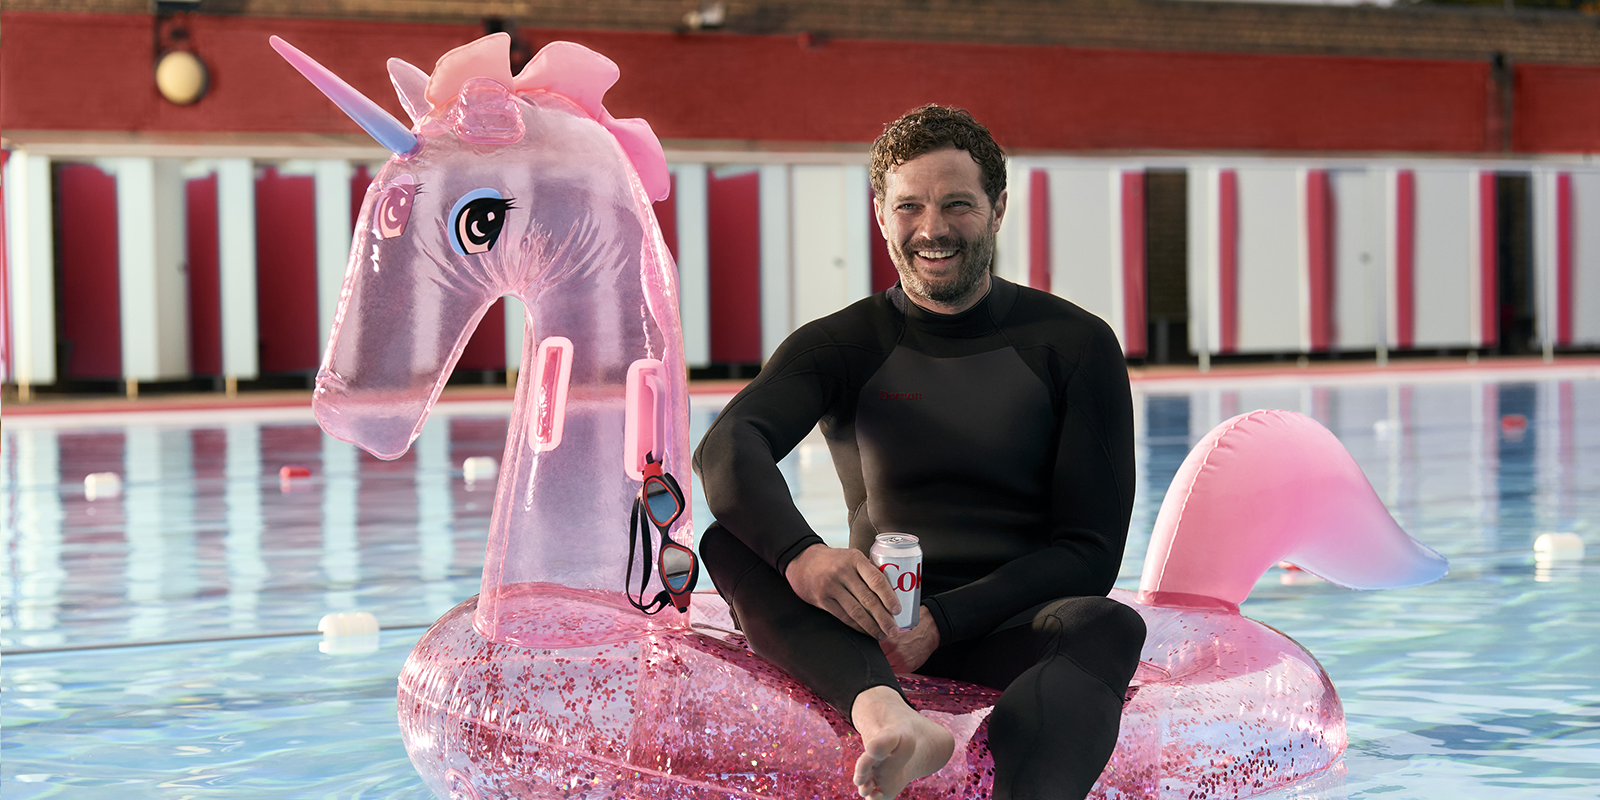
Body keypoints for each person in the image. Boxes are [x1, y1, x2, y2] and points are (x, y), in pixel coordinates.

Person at [693, 105, 1146, 800]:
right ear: (881, 215)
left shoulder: (1074, 345)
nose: (932, 230)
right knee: (730, 542)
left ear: (997, 207)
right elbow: (728, 448)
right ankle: (887, 717)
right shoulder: (843, 344)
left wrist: (946, 621)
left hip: (1011, 622)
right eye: (910, 207)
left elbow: (1090, 548)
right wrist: (804, 558)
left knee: (1110, 624)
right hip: (873, 628)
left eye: (956, 204)